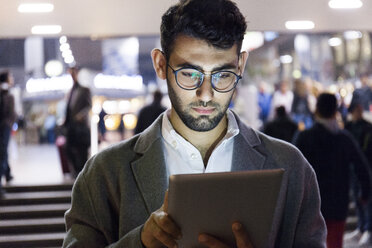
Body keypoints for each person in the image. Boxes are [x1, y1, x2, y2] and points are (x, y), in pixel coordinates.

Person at [63, 0, 326, 247]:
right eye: (189, 73)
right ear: (160, 64)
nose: (206, 93)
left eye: (223, 75)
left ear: (241, 65)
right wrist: (140, 242)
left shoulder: (291, 168)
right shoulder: (104, 174)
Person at [293, 93, 371, 248]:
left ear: (316, 110)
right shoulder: (344, 139)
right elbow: (362, 168)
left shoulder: (304, 138)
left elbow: (292, 170)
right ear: (336, 111)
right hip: (338, 203)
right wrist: (365, 192)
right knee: (335, 243)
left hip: (311, 204)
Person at [344, 102, 372, 246]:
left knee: (367, 199)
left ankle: (368, 228)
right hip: (353, 168)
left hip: (366, 166)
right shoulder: (348, 127)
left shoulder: (367, 127)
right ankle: (361, 226)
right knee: (356, 196)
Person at [63, 67, 92, 177]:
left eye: (74, 73)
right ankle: (75, 171)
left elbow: (89, 105)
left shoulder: (84, 90)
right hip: (71, 125)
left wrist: (81, 115)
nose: (72, 76)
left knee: (82, 150)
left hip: (81, 126)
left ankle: (82, 172)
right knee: (68, 148)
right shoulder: (71, 91)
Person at [0, 71, 16, 196]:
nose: (12, 79)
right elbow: (8, 112)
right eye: (10, 77)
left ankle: (8, 173)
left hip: (5, 126)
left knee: (3, 152)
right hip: (3, 127)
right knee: (3, 154)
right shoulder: (5, 93)